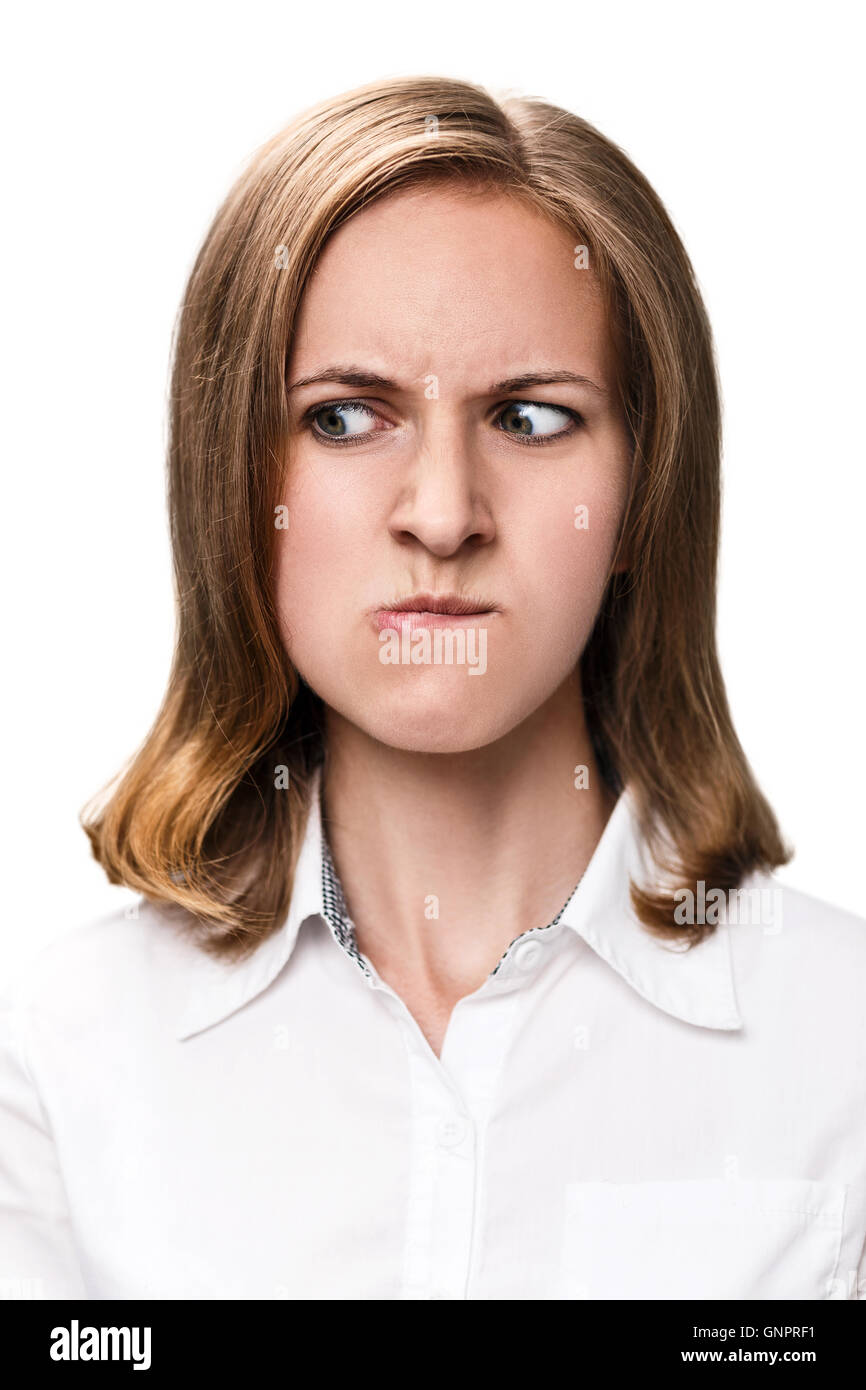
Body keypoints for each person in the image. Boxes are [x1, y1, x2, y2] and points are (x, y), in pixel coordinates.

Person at [1, 74, 864, 1302]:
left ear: (640, 495)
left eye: (528, 415)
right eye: (347, 418)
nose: (444, 515)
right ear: (234, 484)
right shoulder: (62, 1049)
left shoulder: (842, 1048)